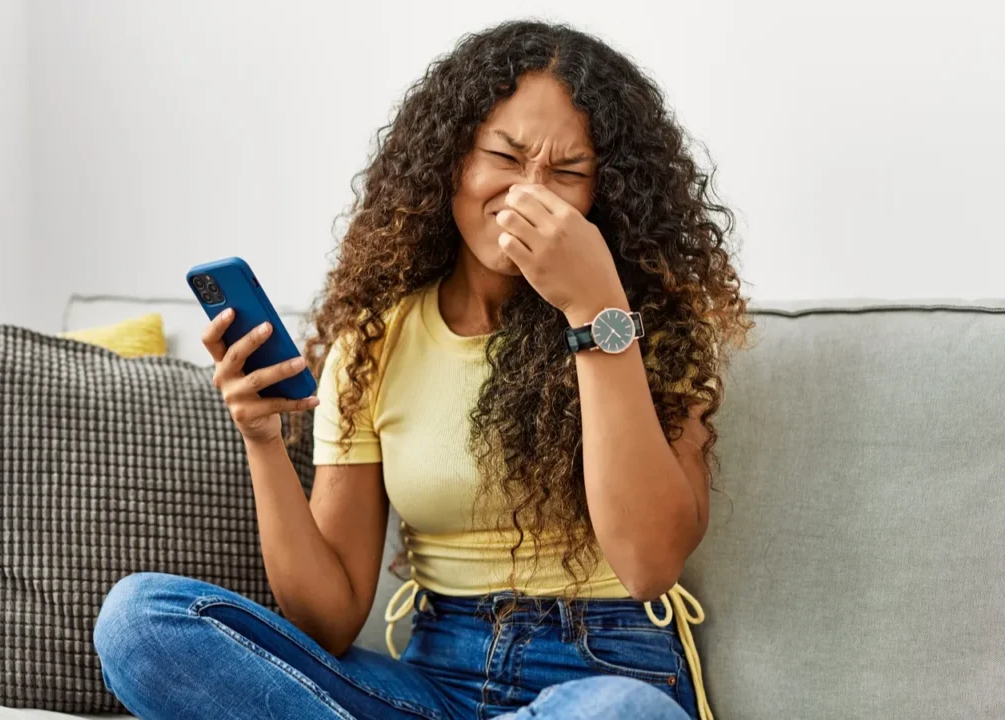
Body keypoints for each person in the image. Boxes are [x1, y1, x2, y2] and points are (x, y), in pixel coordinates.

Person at [94, 18, 751, 720]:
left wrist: (595, 313)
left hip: (608, 667)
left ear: (605, 195)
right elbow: (329, 620)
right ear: (451, 161)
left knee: (624, 715)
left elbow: (650, 564)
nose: (532, 192)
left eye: (568, 173)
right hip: (435, 678)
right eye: (505, 155)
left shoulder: (645, 327)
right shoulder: (375, 340)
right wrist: (261, 440)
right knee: (140, 621)